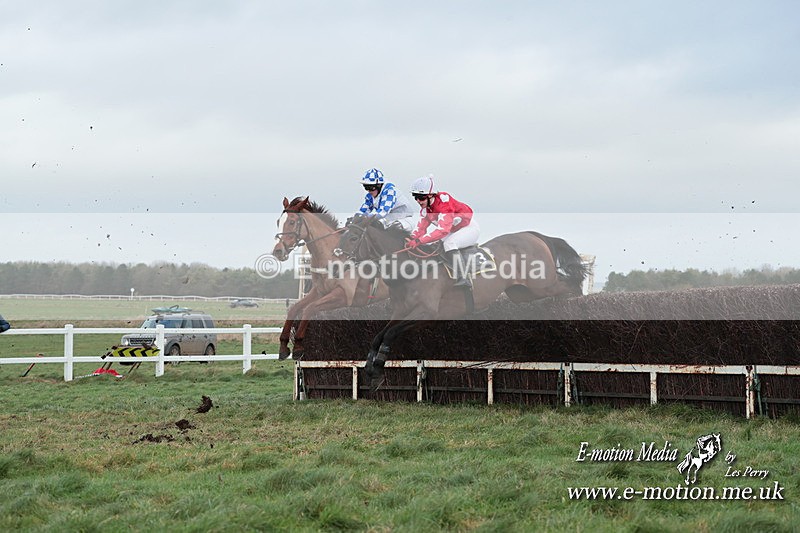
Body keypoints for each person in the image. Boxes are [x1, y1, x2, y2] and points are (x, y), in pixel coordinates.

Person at [406, 174, 479, 287]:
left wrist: (419, 241)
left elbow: (442, 231)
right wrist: (411, 238)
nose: (418, 201)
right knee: (435, 246)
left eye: (421, 198)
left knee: (450, 243)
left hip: (468, 228)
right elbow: (420, 230)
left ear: (431, 195)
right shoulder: (426, 210)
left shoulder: (444, 203)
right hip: (452, 230)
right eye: (415, 197)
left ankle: (464, 278)